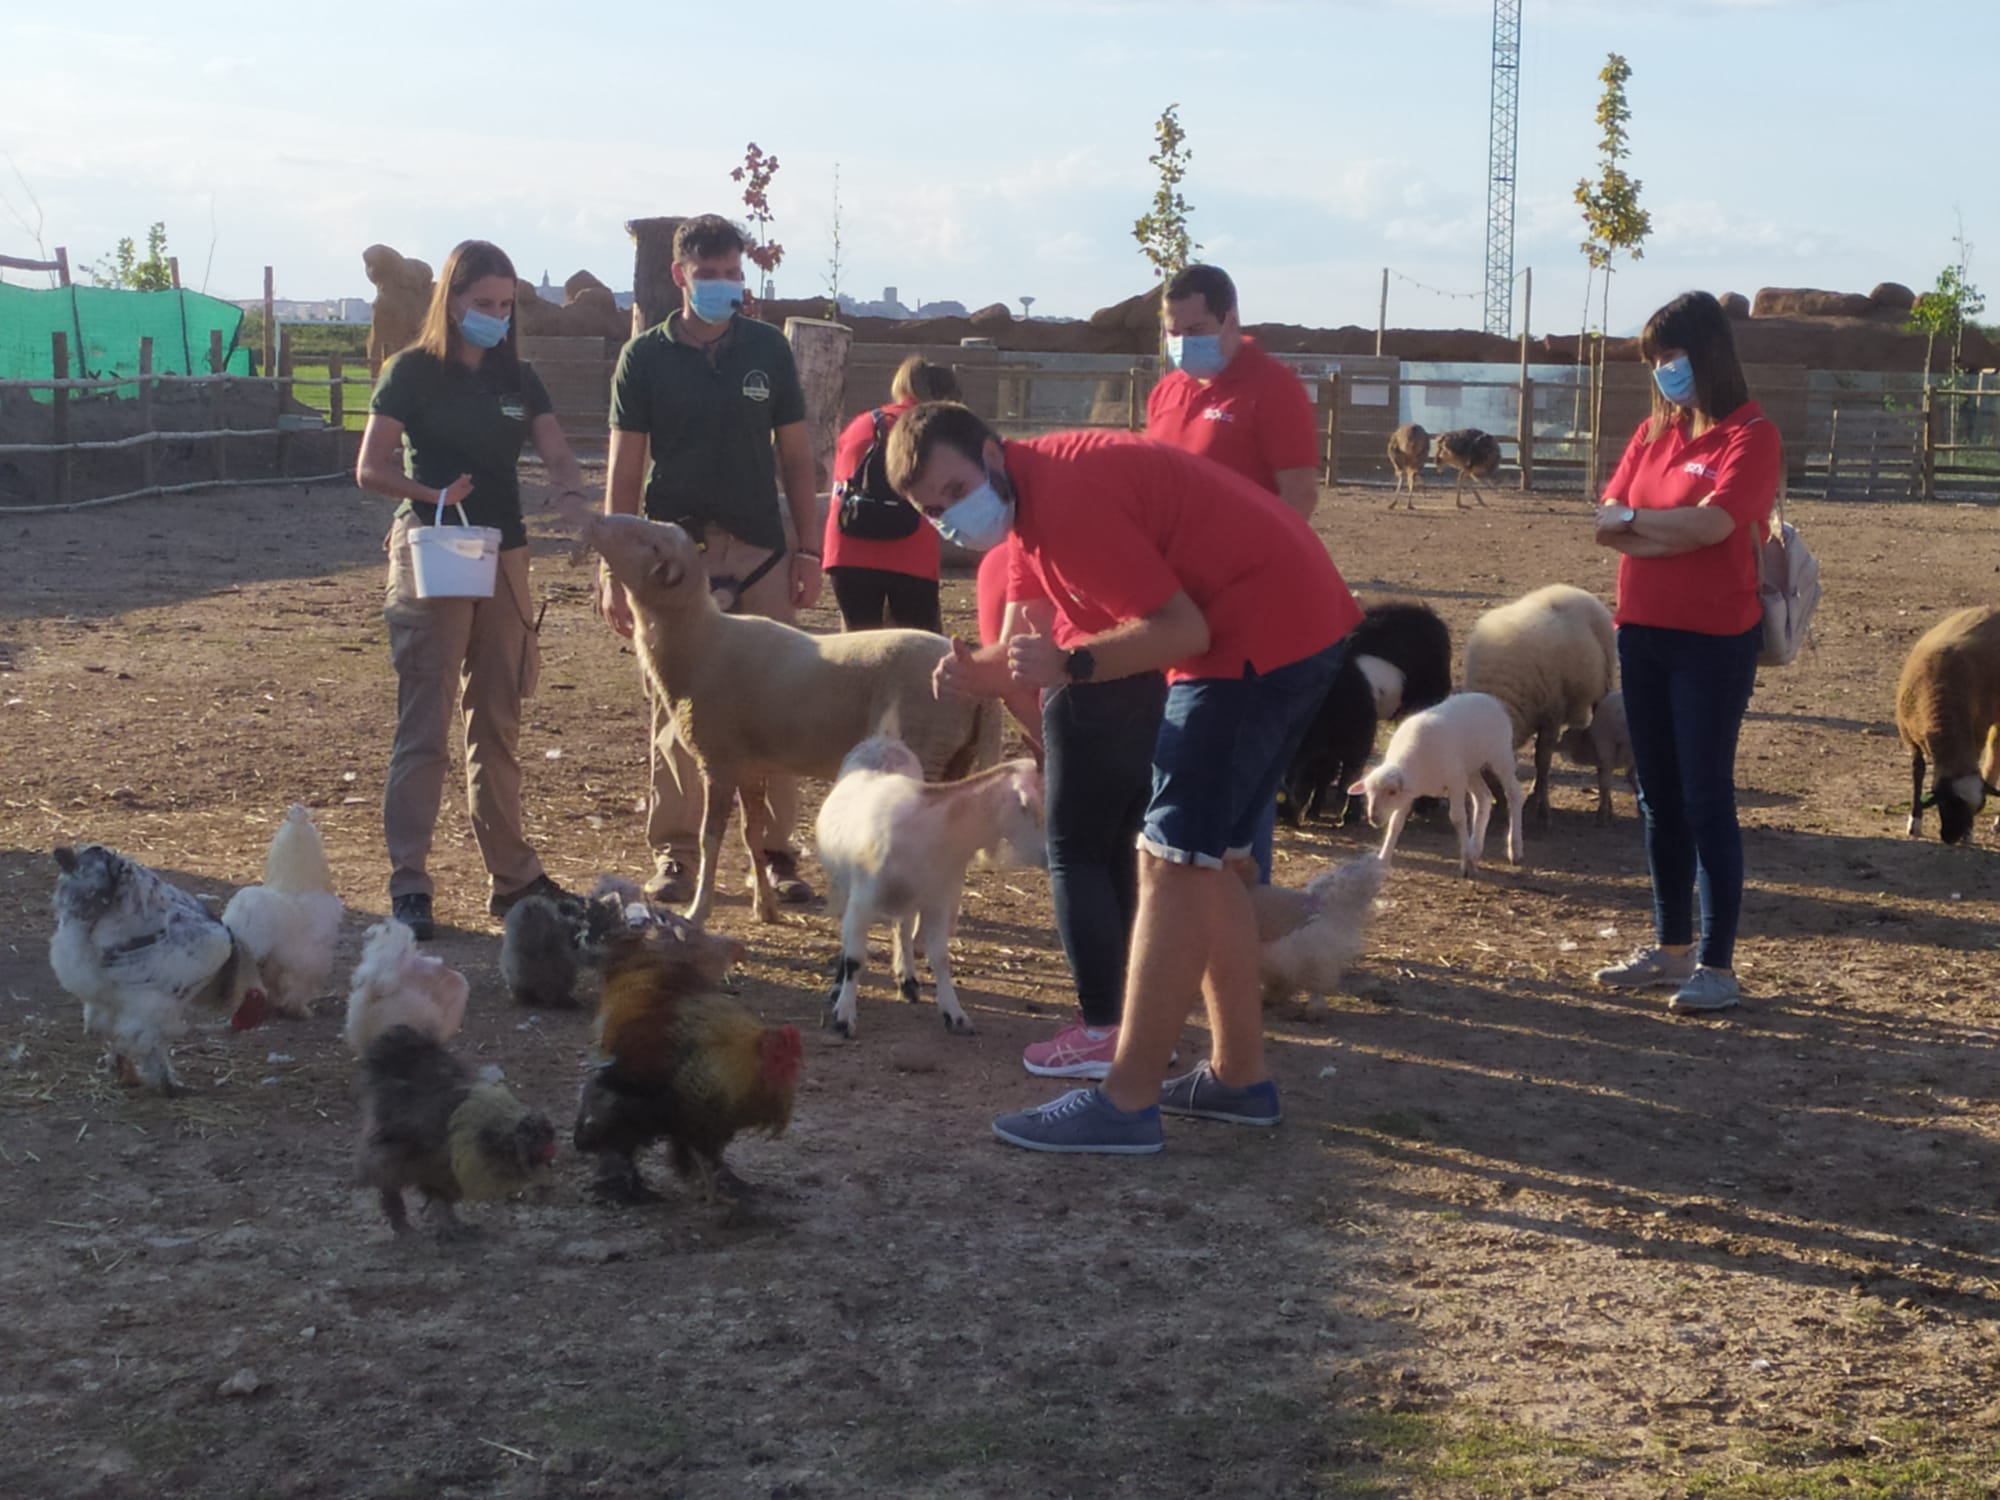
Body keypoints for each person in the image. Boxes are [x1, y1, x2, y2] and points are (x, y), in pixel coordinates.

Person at [894, 406, 1360, 1154]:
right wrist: (988, 672)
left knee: (1170, 861)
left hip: (1255, 641)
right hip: (1279, 631)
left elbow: (1182, 631)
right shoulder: (1030, 501)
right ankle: (1238, 1079)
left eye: (955, 488)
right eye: (933, 508)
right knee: (1205, 866)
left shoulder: (1069, 499)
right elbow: (1033, 634)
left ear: (989, 452)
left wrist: (1073, 666)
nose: (951, 515)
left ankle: (1126, 1096)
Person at [356, 238, 584, 939]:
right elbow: (369, 466)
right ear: (451, 301)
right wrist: (431, 493)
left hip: (504, 550)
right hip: (433, 547)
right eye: (483, 304)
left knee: (498, 715)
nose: (495, 315)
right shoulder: (410, 372)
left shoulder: (519, 378)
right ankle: (410, 882)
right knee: (426, 717)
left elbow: (555, 450)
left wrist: (574, 495)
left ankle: (512, 878)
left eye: (506, 305)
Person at [598, 214, 823, 906]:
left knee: (782, 696)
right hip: (674, 558)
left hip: (759, 547)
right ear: (680, 277)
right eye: (710, 275)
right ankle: (675, 853)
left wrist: (809, 549)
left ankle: (777, 853)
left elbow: (795, 455)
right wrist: (614, 567)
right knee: (676, 704)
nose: (726, 286)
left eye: (734, 274)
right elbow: (624, 471)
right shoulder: (645, 358)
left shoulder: (768, 351)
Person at [1591, 291, 1779, 1015]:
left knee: (1706, 797)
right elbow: (1609, 523)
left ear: (1708, 352)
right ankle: (1670, 951)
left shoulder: (1751, 436)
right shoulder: (1652, 433)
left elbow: (1716, 527)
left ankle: (1718, 965)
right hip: (1641, 633)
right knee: (1657, 796)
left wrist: (1646, 525)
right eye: (1656, 361)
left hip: (1714, 644)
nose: (1663, 371)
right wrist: (1661, 526)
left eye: (1671, 356)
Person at [1149, 263, 1324, 885]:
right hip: (1181, 614)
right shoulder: (1168, 392)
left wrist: (1237, 569)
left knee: (1234, 795)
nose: (1181, 342)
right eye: (1172, 330)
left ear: (1230, 319)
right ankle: (1232, 949)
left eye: (1194, 327)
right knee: (1205, 787)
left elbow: (1298, 496)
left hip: (1249, 619)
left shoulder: (1272, 388)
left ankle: (1242, 942)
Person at [823, 356, 961, 634]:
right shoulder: (934, 428)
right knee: (918, 649)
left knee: (857, 647)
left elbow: (839, 481)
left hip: (849, 548)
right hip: (910, 549)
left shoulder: (862, 424)